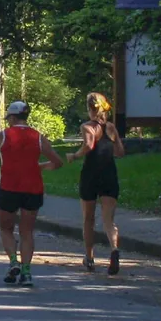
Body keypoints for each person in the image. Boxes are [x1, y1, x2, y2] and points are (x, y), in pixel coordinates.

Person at [0, 100, 64, 288]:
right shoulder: (38, 137)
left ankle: (13, 261)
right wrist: (40, 167)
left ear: (12, 118)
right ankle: (27, 272)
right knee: (27, 231)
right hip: (33, 188)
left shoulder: (3, 135)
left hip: (8, 187)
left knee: (6, 228)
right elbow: (58, 162)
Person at [66, 93, 126, 275]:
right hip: (109, 174)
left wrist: (74, 155)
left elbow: (89, 145)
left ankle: (90, 258)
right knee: (109, 220)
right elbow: (120, 152)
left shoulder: (87, 127)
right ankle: (114, 250)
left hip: (91, 175)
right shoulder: (111, 128)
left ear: (89, 108)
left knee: (88, 219)